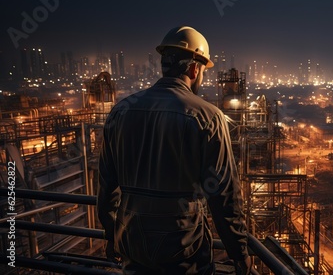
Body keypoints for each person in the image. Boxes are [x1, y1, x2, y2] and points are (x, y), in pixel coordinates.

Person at [97, 26, 251, 274]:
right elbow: (223, 195)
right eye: (202, 71)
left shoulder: (121, 111)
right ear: (194, 68)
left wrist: (111, 233)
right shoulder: (208, 117)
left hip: (132, 240)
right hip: (182, 248)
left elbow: (106, 187)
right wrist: (239, 252)